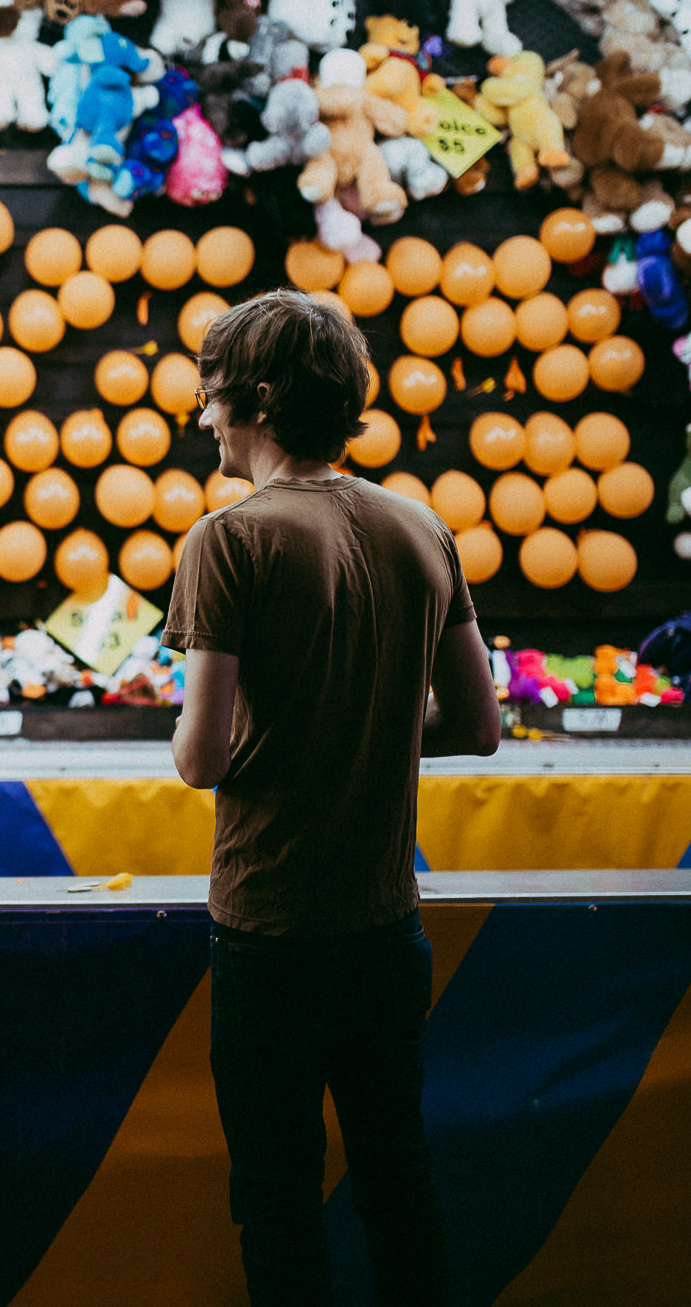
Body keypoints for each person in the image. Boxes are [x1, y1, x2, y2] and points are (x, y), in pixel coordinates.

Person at [164, 292, 500, 1306]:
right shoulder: (419, 528)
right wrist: (362, 725)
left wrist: (284, 729)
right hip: (383, 928)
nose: (202, 417)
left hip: (269, 933)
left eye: (210, 395)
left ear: (257, 399)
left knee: (275, 1207)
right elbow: (476, 725)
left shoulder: (227, 542)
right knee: (399, 1190)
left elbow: (201, 756)